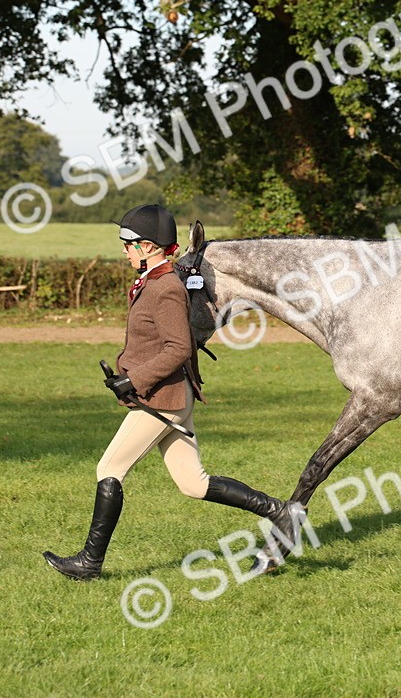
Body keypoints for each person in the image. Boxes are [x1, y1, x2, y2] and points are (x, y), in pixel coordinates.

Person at [43, 204, 305, 580]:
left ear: (148, 246)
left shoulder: (165, 287)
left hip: (163, 400)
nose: (124, 250)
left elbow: (179, 348)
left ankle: (89, 563)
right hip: (169, 397)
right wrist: (126, 375)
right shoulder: (154, 281)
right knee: (193, 483)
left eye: (128, 243)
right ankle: (280, 511)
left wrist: (135, 380)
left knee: (110, 468)